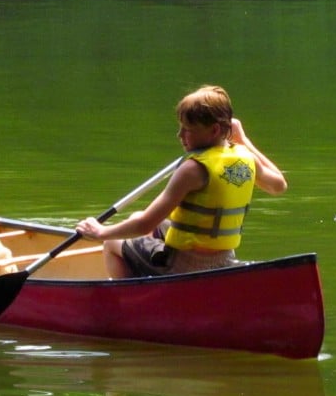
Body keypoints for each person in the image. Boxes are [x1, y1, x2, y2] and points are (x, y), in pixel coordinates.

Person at [76, 85, 287, 278]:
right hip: (223, 259)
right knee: (137, 215)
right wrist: (244, 141)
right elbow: (279, 185)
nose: (180, 135)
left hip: (186, 265)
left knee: (112, 241)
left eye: (188, 129)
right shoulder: (244, 158)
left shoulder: (193, 169)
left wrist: (99, 232)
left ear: (214, 130)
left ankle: (131, 304)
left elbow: (144, 225)